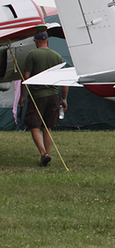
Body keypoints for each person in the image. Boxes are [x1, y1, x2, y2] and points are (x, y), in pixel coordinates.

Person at [19, 31, 67, 166]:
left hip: (37, 95)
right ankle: (48, 154)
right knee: (47, 126)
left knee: (34, 125)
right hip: (53, 95)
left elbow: (26, 77)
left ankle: (43, 154)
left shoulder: (32, 54)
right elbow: (63, 81)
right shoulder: (57, 56)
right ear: (47, 41)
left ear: (36, 41)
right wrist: (64, 99)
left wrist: (23, 96)